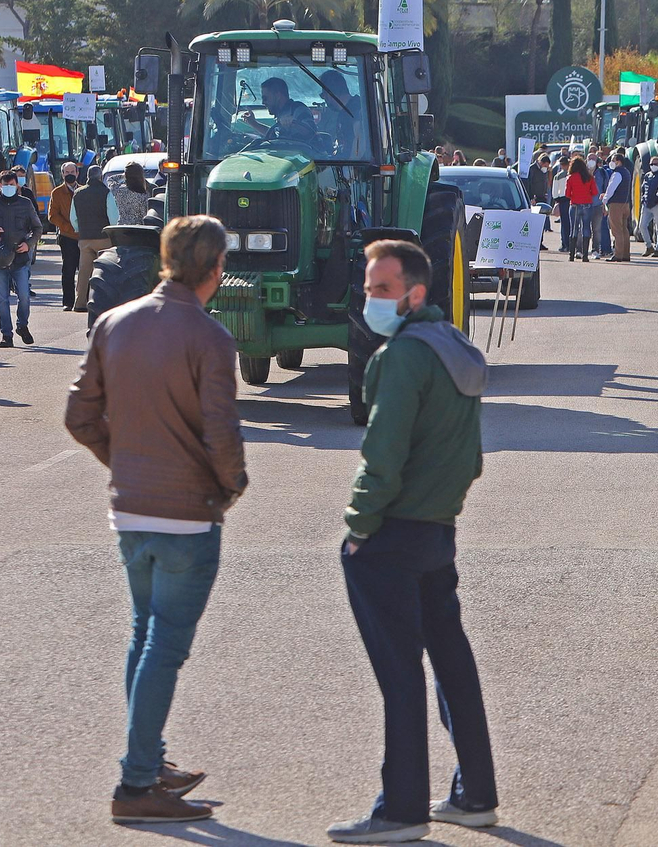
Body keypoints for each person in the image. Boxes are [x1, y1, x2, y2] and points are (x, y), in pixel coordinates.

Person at [65, 215, 247, 826]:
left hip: (131, 506)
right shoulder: (210, 337)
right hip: (185, 515)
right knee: (163, 646)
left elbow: (79, 415)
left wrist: (122, 460)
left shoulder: (114, 323)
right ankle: (138, 781)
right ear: (216, 268)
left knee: (145, 636)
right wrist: (229, 486)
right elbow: (221, 433)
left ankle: (151, 758)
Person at [328, 239, 497, 844]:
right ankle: (476, 793)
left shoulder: (402, 357)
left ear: (414, 294)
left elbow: (382, 458)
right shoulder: (454, 346)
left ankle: (400, 810)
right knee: (450, 659)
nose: (370, 299)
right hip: (436, 529)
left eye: (381, 289)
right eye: (369, 287)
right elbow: (470, 459)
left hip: (393, 535)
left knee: (400, 676)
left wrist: (358, 526)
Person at [0, 169, 44, 347]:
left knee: (24, 296)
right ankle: (6, 335)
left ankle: (22, 325)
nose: (8, 187)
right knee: (2, 299)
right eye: (5, 184)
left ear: (17, 185)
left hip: (20, 258)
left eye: (12, 184)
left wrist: (29, 244)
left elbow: (38, 228)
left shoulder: (25, 203)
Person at [72, 165, 120, 314]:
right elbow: (113, 216)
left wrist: (80, 229)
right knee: (103, 271)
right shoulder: (106, 192)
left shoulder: (77, 193)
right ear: (100, 177)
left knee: (84, 271)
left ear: (87, 176)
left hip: (85, 238)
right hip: (103, 238)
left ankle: (80, 303)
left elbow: (73, 218)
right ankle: (101, 301)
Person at [48, 162, 82, 310]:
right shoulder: (56, 192)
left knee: (84, 269)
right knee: (68, 270)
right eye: (66, 172)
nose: (69, 174)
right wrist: (68, 227)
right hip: (67, 236)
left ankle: (84, 300)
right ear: (62, 174)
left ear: (77, 173)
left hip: (84, 236)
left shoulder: (83, 191)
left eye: (72, 171)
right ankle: (68, 302)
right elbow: (52, 216)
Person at [244, 77, 317, 143]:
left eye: (265, 98)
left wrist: (293, 123)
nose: (263, 102)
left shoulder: (298, 109)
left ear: (278, 95)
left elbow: (311, 132)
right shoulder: (280, 114)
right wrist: (253, 123)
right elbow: (273, 134)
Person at [565, 154, 599, 263]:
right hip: (587, 205)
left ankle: (571, 255)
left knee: (574, 229)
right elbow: (594, 192)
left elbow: (567, 194)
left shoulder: (570, 178)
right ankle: (585, 256)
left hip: (574, 205)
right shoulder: (589, 177)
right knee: (586, 229)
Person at [602, 149, 634, 262]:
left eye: (613, 160)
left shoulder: (617, 173)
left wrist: (604, 200)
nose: (611, 162)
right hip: (625, 204)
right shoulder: (626, 172)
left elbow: (611, 189)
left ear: (618, 162)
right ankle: (626, 254)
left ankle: (618, 254)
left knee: (617, 231)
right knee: (624, 230)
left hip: (616, 205)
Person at [639, 156, 658, 257]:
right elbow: (643, 188)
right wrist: (643, 199)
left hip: (657, 205)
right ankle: (649, 246)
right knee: (642, 226)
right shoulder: (647, 175)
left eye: (655, 164)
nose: (653, 166)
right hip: (646, 204)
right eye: (651, 164)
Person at [551, 155, 572, 252]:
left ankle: (565, 244)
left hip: (562, 200)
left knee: (564, 223)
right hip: (572, 200)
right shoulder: (572, 174)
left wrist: (556, 201)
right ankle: (572, 244)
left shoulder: (558, 176)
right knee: (572, 223)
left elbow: (555, 191)